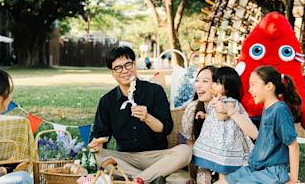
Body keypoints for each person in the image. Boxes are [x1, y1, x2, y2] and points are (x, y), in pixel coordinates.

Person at [88, 46, 192, 184]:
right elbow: (100, 133)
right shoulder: (107, 101)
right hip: (126, 157)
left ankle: (136, 180)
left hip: (156, 156)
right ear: (112, 72)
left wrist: (147, 117)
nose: (124, 71)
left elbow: (166, 128)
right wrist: (95, 143)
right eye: (118, 68)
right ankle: (150, 179)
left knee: (185, 151)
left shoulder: (155, 91)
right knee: (99, 156)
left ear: (135, 64)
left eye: (128, 64)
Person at [217, 66, 301, 184]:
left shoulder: (279, 110)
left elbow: (293, 146)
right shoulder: (267, 110)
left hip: (272, 172)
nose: (250, 90)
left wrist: (293, 180)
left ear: (269, 86)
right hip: (255, 169)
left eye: (253, 84)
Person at [192, 67, 258, 183]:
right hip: (215, 144)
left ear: (227, 88)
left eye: (217, 83)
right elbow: (216, 120)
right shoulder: (218, 100)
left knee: (223, 170)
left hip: (226, 145)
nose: (213, 85)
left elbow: (221, 117)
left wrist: (216, 100)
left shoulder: (230, 102)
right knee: (205, 166)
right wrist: (206, 116)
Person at [181, 66, 216, 183]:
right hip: (204, 162)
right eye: (197, 80)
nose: (198, 85)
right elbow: (191, 144)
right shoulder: (192, 109)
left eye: (205, 81)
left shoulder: (227, 107)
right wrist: (192, 177)